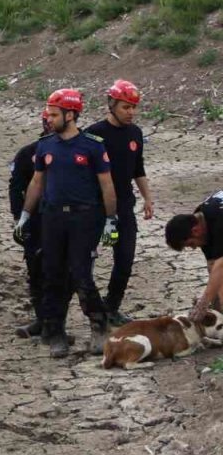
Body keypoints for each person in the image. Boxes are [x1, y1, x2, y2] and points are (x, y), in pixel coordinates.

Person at [16, 88, 119, 358]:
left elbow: (107, 185)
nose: (48, 118)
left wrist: (111, 220)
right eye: (48, 113)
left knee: (81, 274)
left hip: (84, 218)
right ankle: (56, 332)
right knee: (52, 275)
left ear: (70, 115)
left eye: (54, 114)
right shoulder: (45, 145)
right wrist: (26, 215)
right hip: (52, 218)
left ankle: (99, 326)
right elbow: (37, 182)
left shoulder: (92, 145)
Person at [84, 79, 153, 326]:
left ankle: (112, 306)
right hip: (95, 208)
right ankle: (92, 309)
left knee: (125, 257)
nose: (131, 112)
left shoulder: (135, 133)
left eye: (134, 107)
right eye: (125, 107)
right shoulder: (94, 133)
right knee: (87, 258)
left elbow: (138, 168)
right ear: (111, 105)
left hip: (124, 207)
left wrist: (148, 198)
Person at [9, 109, 50, 339]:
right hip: (35, 221)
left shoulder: (82, 149)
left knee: (65, 273)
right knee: (35, 270)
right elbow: (16, 188)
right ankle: (41, 320)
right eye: (48, 118)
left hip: (66, 221)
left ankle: (56, 324)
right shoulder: (28, 154)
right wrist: (19, 219)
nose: (51, 123)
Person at [165, 190, 223, 322]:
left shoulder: (219, 222)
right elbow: (214, 267)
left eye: (191, 243)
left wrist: (203, 303)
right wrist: (218, 311)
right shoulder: (200, 218)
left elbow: (221, 266)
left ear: (195, 231)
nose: (194, 247)